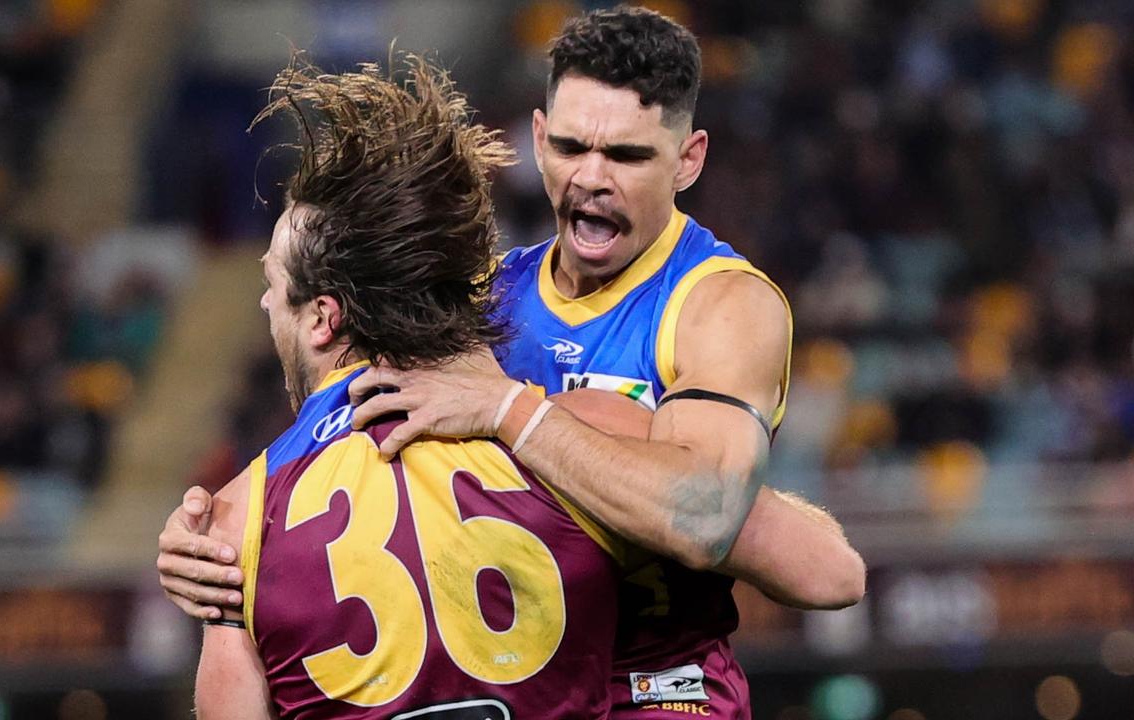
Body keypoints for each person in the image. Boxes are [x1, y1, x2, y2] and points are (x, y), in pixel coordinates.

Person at [164, 8, 866, 719]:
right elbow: (344, 452)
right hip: (522, 677)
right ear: (536, 139)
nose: (590, 178)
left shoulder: (717, 304)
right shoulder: (487, 297)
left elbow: (712, 517)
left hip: (659, 691)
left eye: (625, 156)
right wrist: (213, 543)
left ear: (689, 159)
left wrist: (510, 410)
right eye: (568, 148)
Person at [194, 55, 631, 719]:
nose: (262, 306)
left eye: (272, 287)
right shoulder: (586, 432)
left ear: (322, 319)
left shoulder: (234, 524)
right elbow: (818, 570)